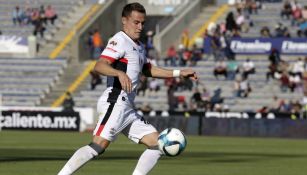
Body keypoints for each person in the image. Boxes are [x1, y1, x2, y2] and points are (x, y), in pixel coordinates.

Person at [57, 3, 197, 175]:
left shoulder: (139, 46)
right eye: (136, 22)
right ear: (124, 21)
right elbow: (99, 65)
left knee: (158, 144)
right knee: (98, 146)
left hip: (127, 107)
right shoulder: (119, 40)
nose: (140, 27)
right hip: (115, 101)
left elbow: (148, 70)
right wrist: (118, 74)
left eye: (142, 23)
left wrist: (179, 72)